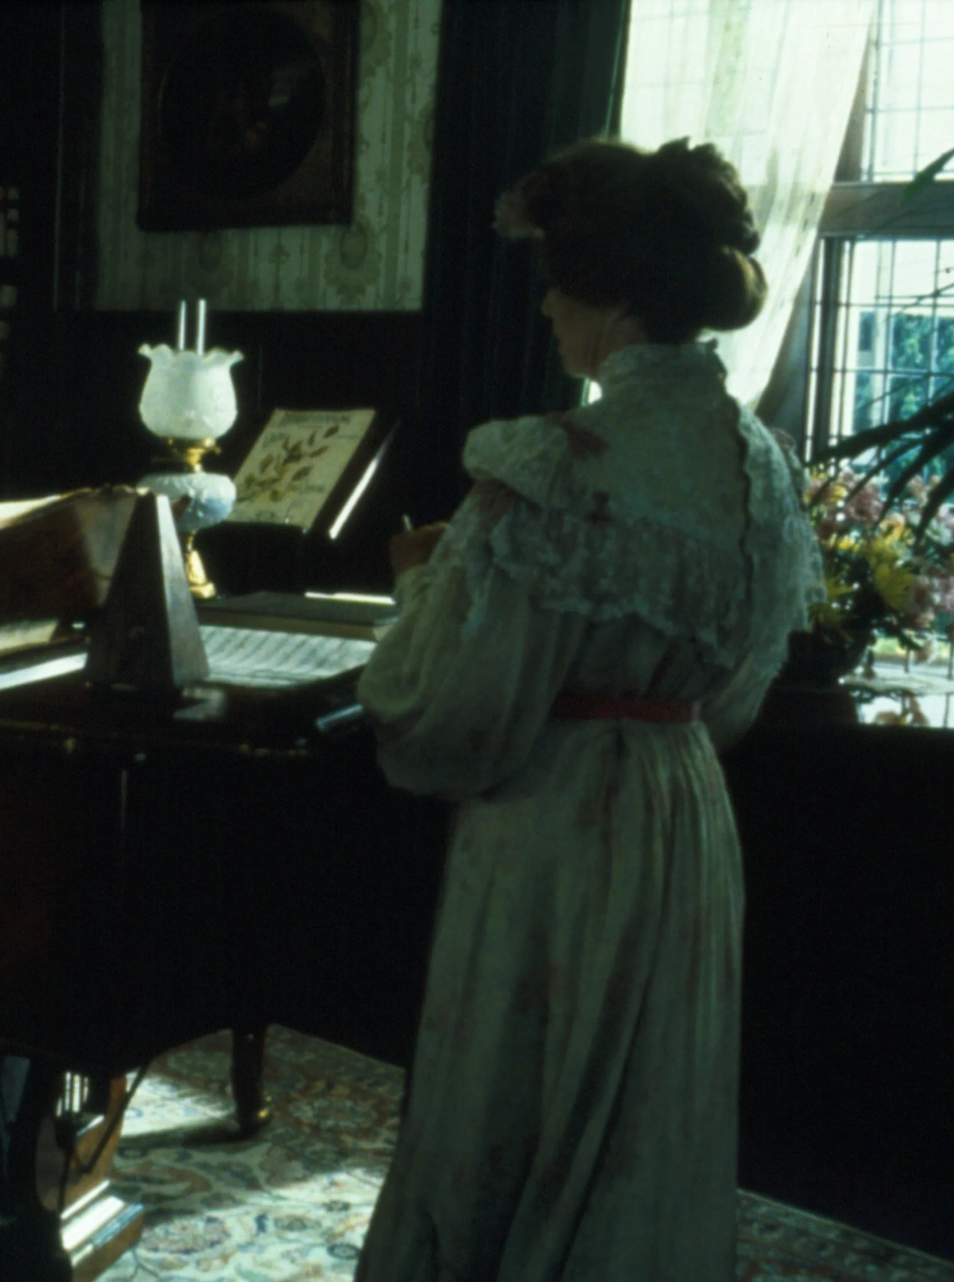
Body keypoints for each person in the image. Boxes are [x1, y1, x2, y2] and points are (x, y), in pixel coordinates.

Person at [353, 138, 824, 1281]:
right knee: (646, 1118)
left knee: (511, 1112)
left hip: (556, 827)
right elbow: (740, 688)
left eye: (560, 281)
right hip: (682, 817)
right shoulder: (759, 465)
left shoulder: (558, 462)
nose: (549, 305)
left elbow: (447, 712)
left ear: (609, 292)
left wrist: (423, 586)